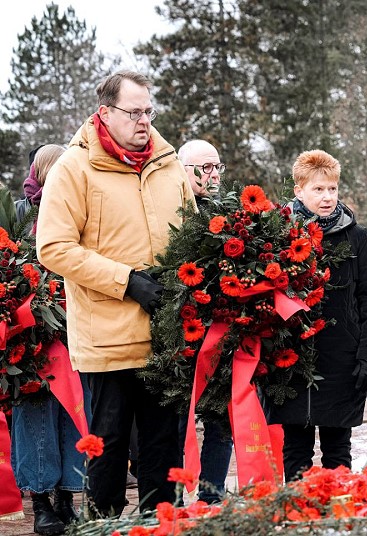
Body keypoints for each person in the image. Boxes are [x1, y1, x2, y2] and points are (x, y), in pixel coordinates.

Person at [36, 70, 196, 517]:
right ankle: (103, 525)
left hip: (165, 337)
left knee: (163, 452)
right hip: (107, 341)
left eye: (149, 111)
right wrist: (126, 281)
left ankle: (161, 524)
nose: (143, 120)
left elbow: (191, 234)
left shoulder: (169, 165)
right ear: (105, 113)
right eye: (133, 112)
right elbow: (53, 247)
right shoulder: (74, 167)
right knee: (106, 449)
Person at [268, 149, 367, 481]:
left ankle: (339, 511)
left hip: (342, 360)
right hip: (291, 361)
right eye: (318, 189)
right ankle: (298, 513)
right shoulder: (277, 236)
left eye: (332, 189)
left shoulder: (356, 237)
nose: (327, 197)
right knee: (296, 449)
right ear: (299, 191)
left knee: (338, 449)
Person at [11, 144, 91, 536]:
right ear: (41, 173)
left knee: (74, 415)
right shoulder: (21, 213)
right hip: (33, 334)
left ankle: (68, 498)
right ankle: (40, 501)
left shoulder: (84, 208)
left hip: (74, 329)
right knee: (36, 415)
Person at [177, 139, 233, 503]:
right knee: (174, 423)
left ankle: (212, 492)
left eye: (217, 167)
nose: (212, 175)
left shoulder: (230, 215)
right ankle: (173, 494)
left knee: (220, 420)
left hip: (221, 332)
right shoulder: (171, 211)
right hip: (177, 333)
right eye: (203, 168)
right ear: (183, 171)